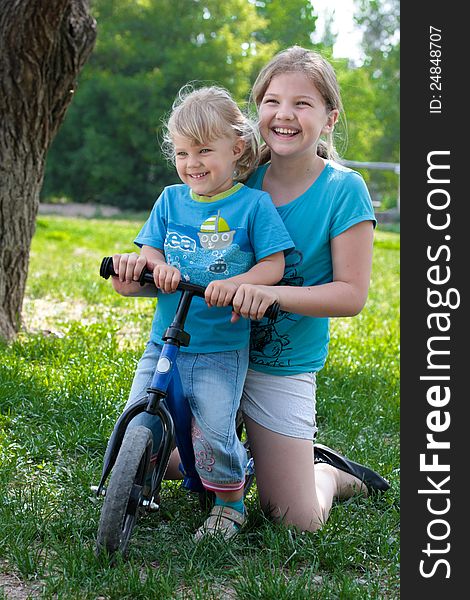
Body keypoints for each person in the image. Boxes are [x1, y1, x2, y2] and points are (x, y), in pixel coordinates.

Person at [109, 85, 294, 540]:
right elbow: (150, 253)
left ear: (237, 148)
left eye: (205, 151)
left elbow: (274, 264)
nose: (193, 163)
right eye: (183, 152)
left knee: (213, 426)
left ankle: (230, 501)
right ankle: (133, 478)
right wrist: (155, 267)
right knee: (139, 411)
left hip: (220, 348)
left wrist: (235, 286)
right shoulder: (170, 201)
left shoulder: (253, 205)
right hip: (165, 338)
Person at [223, 45, 390, 532]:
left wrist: (274, 294)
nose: (284, 114)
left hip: (282, 364)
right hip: (217, 351)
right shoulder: (239, 179)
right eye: (272, 100)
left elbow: (350, 295)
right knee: (164, 463)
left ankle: (326, 472)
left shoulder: (344, 189)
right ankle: (250, 459)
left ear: (330, 117)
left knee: (296, 521)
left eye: (303, 103)